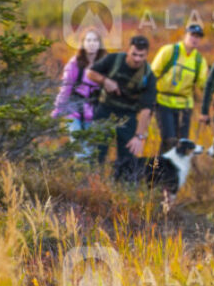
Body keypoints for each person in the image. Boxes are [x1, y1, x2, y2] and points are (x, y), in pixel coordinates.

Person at [84, 35, 157, 180]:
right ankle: (90, 184)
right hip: (105, 110)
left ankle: (123, 190)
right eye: (134, 54)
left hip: (128, 116)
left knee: (127, 157)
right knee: (97, 151)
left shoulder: (148, 76)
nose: (137, 59)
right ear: (128, 51)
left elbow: (146, 109)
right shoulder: (114, 60)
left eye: (141, 56)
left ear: (146, 55)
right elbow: (90, 72)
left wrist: (139, 136)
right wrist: (105, 81)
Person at [51, 28, 107, 160]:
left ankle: (87, 177)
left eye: (95, 40)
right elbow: (65, 88)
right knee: (80, 151)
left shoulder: (105, 64)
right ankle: (80, 176)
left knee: (90, 151)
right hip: (74, 111)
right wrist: (57, 110)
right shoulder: (75, 64)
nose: (92, 43)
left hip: (94, 113)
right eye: (88, 40)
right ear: (83, 43)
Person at [151, 24, 208, 153]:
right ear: (185, 35)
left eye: (198, 37)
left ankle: (176, 172)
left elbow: (203, 84)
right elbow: (153, 73)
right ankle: (159, 170)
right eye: (192, 35)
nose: (195, 39)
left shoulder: (199, 60)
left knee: (182, 141)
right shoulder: (169, 51)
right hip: (163, 102)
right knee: (169, 139)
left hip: (184, 106)